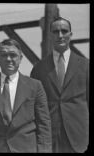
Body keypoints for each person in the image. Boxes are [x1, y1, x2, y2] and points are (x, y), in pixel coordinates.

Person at [0, 39, 52, 153]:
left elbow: (44, 126)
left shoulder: (35, 86)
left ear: (21, 58)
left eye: (13, 55)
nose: (8, 59)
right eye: (4, 55)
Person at [30, 17, 89, 153]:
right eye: (56, 32)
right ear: (50, 35)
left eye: (64, 31)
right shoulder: (38, 68)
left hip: (79, 137)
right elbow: (34, 107)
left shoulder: (85, 66)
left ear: (70, 35)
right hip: (49, 137)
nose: (60, 35)